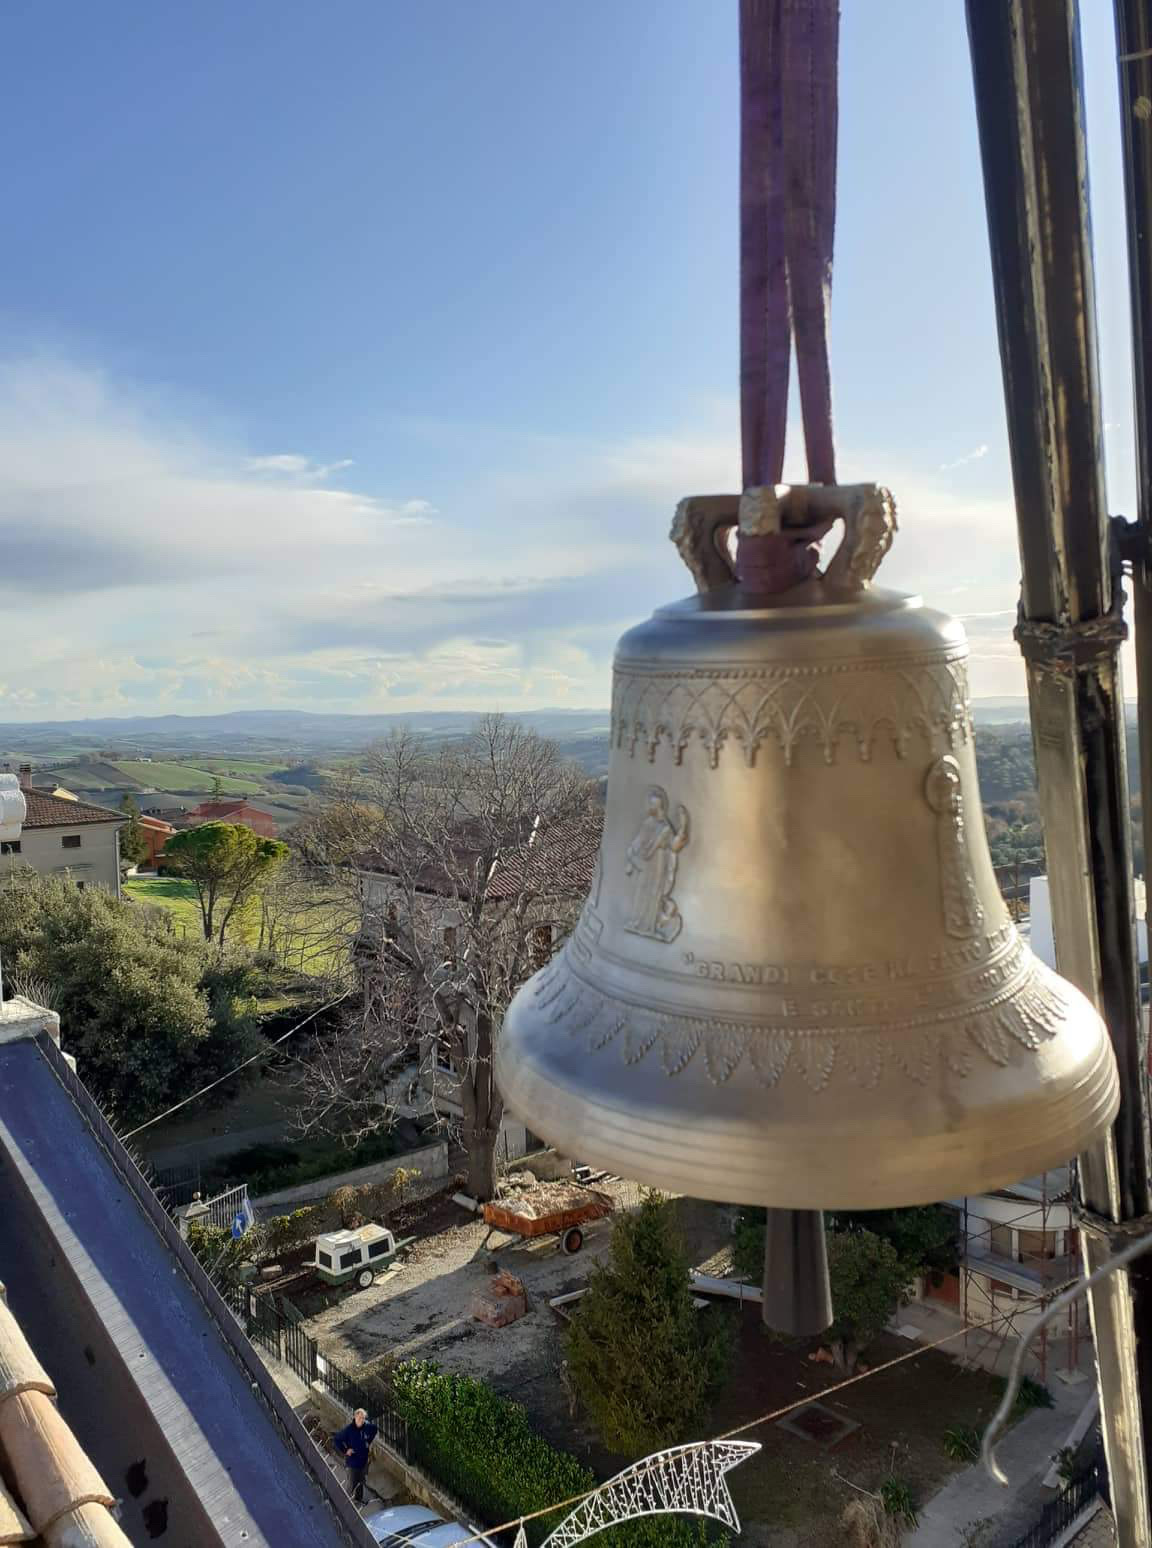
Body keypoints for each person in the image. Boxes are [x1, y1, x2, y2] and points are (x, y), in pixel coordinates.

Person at [332, 1407, 377, 1503]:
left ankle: (358, 1499)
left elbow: (375, 1429)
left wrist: (368, 1442)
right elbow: (337, 1439)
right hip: (352, 1462)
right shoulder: (349, 1430)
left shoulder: (367, 1426)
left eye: (363, 1418)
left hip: (363, 1462)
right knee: (352, 1483)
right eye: (359, 1417)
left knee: (361, 1482)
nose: (361, 1420)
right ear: (355, 1417)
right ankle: (344, 1502)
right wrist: (345, 1450)